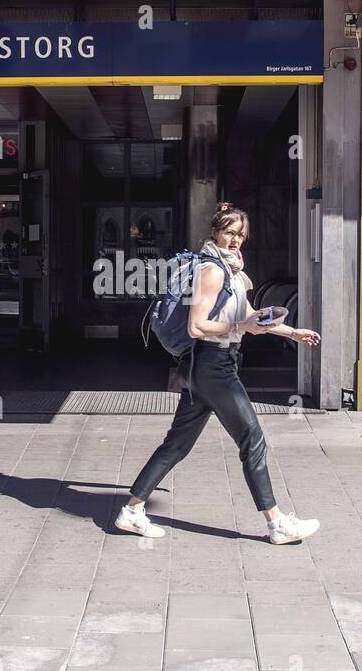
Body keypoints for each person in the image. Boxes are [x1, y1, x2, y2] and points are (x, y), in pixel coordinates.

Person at [117, 203, 322, 545]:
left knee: (176, 445)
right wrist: (241, 326)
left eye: (241, 234)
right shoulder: (211, 271)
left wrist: (292, 332)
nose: (235, 240)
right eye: (229, 233)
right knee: (251, 438)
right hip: (213, 365)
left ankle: (132, 511)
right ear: (214, 232)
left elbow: (251, 316)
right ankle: (277, 524)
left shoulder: (231, 272)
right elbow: (197, 326)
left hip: (207, 367)